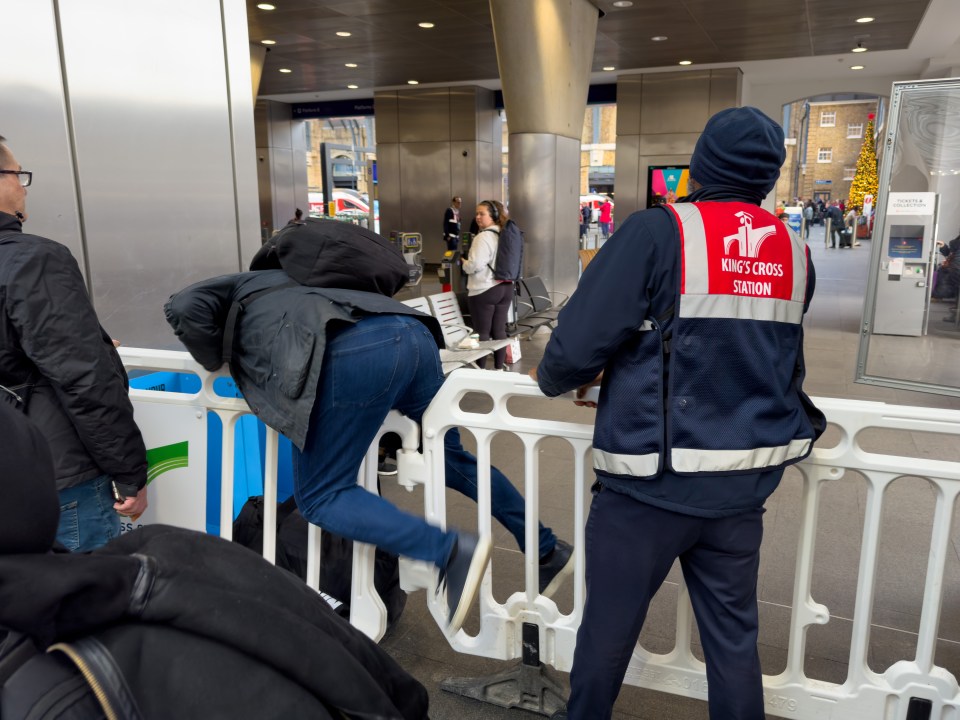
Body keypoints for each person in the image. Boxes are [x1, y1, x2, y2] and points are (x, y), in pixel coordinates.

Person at [532, 107, 825, 720]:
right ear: (768, 176)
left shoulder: (657, 232)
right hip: (742, 486)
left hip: (649, 486)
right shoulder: (794, 251)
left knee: (608, 632)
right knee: (734, 643)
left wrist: (557, 377)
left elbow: (576, 349)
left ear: (703, 162)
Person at [165, 227, 573, 632]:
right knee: (451, 460)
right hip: (413, 334)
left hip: (353, 352)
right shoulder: (314, 281)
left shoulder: (244, 283)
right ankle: (545, 547)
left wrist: (213, 357)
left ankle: (447, 551)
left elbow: (183, 305)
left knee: (323, 495)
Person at [0, 135, 148, 552]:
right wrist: (129, 472)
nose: (23, 186)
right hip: (55, 474)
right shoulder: (33, 259)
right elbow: (82, 376)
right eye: (17, 175)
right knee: (86, 601)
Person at [461, 200, 514, 370]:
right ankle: (498, 368)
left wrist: (464, 263)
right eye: (476, 213)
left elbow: (475, 265)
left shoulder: (483, 236)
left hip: (484, 289)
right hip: (505, 288)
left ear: (494, 216)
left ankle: (481, 370)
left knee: (481, 332)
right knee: (499, 331)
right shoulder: (505, 234)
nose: (477, 217)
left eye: (481, 213)